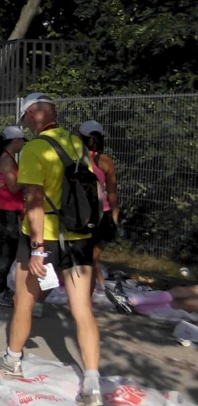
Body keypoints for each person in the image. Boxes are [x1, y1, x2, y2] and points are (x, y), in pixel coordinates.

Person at [0, 93, 104, 406]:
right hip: (79, 236)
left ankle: (13, 359)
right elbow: (93, 190)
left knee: (24, 301)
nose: (26, 124)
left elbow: (33, 200)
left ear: (34, 115)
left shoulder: (34, 149)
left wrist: (37, 249)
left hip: (43, 237)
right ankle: (93, 384)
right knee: (82, 308)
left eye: (26, 118)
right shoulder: (78, 145)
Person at [0, 126, 27, 308]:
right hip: (5, 210)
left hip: (5, 209)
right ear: (15, 141)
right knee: (7, 250)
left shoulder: (6, 158)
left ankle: (0, 287)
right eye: (22, 141)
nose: (23, 145)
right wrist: (29, 178)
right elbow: (14, 187)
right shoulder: (7, 161)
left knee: (8, 249)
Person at [80, 120, 118, 293]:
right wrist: (115, 215)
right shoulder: (105, 161)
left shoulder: (74, 159)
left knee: (86, 258)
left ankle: (86, 298)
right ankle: (94, 291)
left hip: (81, 215)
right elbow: (112, 192)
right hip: (103, 213)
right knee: (93, 256)